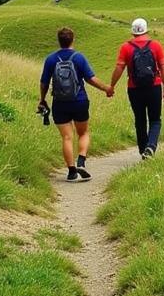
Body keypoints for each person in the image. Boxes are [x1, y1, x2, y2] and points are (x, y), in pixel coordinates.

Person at [39, 27, 113, 181]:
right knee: (83, 133)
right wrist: (106, 88)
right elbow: (91, 79)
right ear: (73, 40)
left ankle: (71, 171)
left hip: (59, 103)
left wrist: (42, 99)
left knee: (67, 137)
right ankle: (81, 160)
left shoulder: (51, 59)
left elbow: (44, 83)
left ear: (59, 41)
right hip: (79, 101)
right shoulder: (79, 58)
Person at [110, 18, 164, 159]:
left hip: (134, 88)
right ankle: (150, 147)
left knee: (140, 119)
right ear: (146, 30)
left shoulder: (126, 47)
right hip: (154, 87)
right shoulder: (156, 46)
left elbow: (119, 68)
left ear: (133, 32)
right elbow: (163, 67)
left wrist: (112, 86)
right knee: (155, 120)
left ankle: (143, 149)